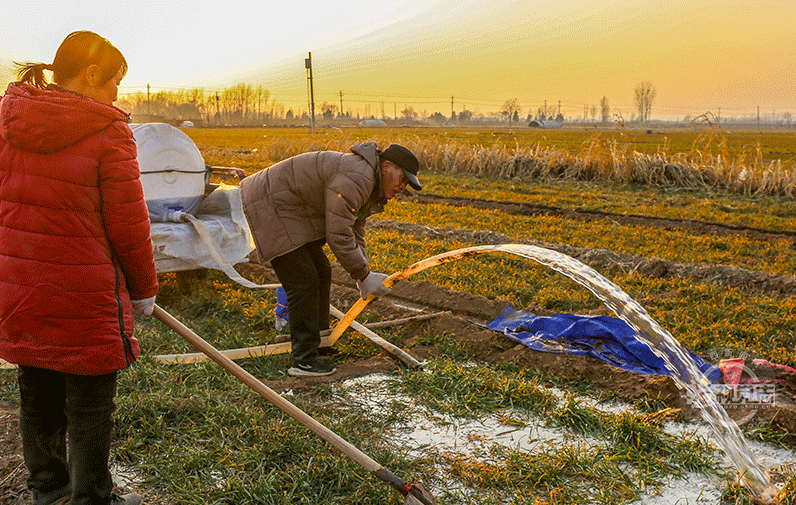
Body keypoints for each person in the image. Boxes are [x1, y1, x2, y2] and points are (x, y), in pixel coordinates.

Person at [0, 31, 158, 505]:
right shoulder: (108, 132)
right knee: (90, 404)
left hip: (21, 289)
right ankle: (90, 498)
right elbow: (129, 224)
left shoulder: (9, 122)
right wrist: (144, 288)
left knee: (37, 390)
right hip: (82, 295)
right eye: (114, 83)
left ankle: (48, 491)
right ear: (90, 74)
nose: (116, 95)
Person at [241, 143, 421, 377]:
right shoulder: (358, 177)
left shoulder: (368, 180)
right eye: (402, 180)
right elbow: (338, 233)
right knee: (304, 281)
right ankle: (304, 361)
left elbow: (355, 229)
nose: (402, 188)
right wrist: (364, 275)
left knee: (322, 271)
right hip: (272, 205)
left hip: (292, 209)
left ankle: (320, 345)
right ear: (386, 167)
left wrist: (362, 274)